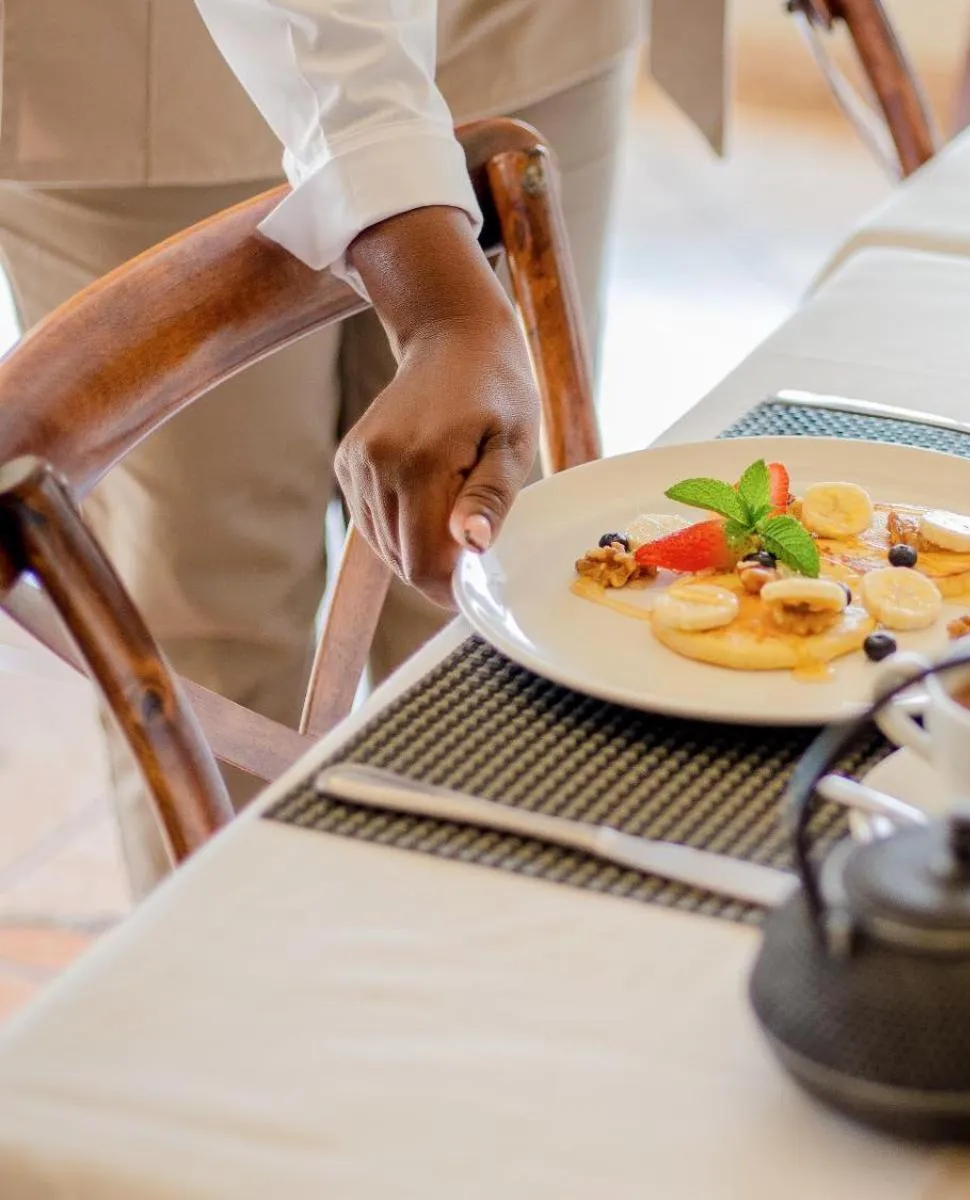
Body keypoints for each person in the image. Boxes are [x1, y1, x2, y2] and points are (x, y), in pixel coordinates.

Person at [0, 0, 726, 898]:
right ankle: (242, 1000)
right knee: (217, 623)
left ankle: (477, 959)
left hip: (530, 29)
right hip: (158, 69)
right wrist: (440, 300)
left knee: (498, 589)